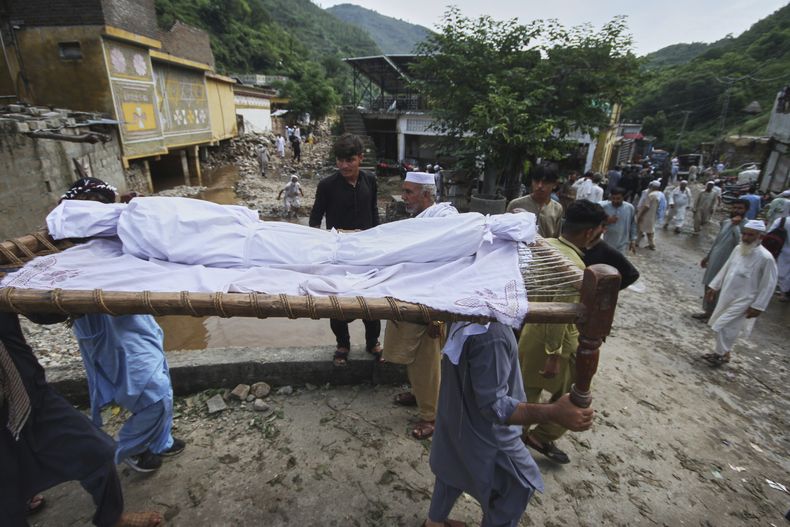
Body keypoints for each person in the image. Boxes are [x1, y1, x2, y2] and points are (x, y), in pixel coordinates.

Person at [59, 178, 185, 473]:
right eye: (92, 201)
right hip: (109, 332)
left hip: (134, 322)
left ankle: (160, 442)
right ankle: (131, 449)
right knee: (153, 393)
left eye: (103, 201)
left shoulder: (119, 230)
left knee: (159, 378)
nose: (99, 207)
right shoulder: (70, 242)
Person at [423, 321, 594, 527]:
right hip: (487, 434)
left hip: (456, 416)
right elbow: (494, 406)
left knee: (451, 467)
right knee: (518, 486)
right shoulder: (492, 335)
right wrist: (554, 412)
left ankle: (434, 522)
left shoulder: (465, 312)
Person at [1, 311, 162, 527]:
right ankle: (18, 498)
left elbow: (43, 313)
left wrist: (66, 301)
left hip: (28, 391)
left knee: (97, 451)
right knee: (7, 505)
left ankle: (112, 517)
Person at [518, 200, 605, 465]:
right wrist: (554, 355)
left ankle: (514, 439)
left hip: (530, 330)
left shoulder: (542, 246)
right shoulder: (574, 267)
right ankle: (538, 437)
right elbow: (560, 314)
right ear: (590, 232)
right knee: (576, 395)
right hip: (555, 341)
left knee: (524, 392)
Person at [384, 172, 458, 440]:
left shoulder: (445, 220)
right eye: (404, 191)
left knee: (426, 360)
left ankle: (431, 416)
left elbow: (446, 262)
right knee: (413, 357)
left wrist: (436, 313)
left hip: (431, 303)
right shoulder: (424, 220)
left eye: (409, 192)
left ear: (427, 195)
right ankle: (418, 395)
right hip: (414, 294)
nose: (404, 197)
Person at [309, 134, 381, 366]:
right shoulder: (327, 185)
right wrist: (318, 248)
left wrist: (379, 241)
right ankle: (343, 344)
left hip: (367, 251)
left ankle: (372, 342)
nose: (344, 165)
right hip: (337, 252)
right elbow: (314, 220)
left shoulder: (370, 181)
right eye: (340, 160)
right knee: (336, 300)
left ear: (360, 158)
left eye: (349, 160)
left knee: (370, 299)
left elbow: (374, 214)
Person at [702, 220, 778, 366]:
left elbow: (769, 284)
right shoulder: (738, 249)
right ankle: (723, 353)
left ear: (760, 237)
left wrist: (758, 306)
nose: (745, 237)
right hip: (727, 295)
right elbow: (726, 268)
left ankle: (720, 355)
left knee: (723, 325)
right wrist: (714, 287)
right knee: (723, 325)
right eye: (744, 233)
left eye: (750, 235)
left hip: (745, 300)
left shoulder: (765, 258)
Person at [692, 199, 749, 321]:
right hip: (715, 259)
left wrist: (736, 226)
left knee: (720, 288)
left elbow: (740, 244)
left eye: (740, 208)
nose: (736, 210)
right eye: (734, 207)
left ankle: (715, 315)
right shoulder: (726, 222)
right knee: (708, 285)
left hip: (729, 263)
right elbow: (717, 241)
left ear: (746, 210)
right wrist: (708, 256)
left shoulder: (747, 226)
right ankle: (708, 311)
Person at [506, 165, 564, 238]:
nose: (539, 186)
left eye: (545, 182)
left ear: (555, 185)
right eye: (536, 181)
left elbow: (556, 238)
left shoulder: (557, 209)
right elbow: (505, 232)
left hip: (546, 248)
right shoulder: (516, 204)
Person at [600, 187, 637, 254]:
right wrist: (607, 221)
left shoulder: (630, 208)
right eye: (613, 198)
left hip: (622, 243)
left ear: (623, 198)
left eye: (618, 199)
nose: (615, 201)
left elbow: (633, 224)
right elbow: (597, 223)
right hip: (607, 242)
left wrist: (633, 240)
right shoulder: (604, 207)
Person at [768, 212, 790, 302]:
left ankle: (783, 293)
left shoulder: (782, 221)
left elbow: (770, 233)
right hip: (784, 251)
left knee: (782, 272)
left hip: (782, 250)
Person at [636, 181, 663, 250]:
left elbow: (646, 206)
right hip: (653, 215)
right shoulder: (660, 195)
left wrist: (641, 215)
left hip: (646, 215)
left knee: (644, 230)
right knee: (644, 229)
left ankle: (651, 245)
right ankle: (637, 242)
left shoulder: (651, 195)